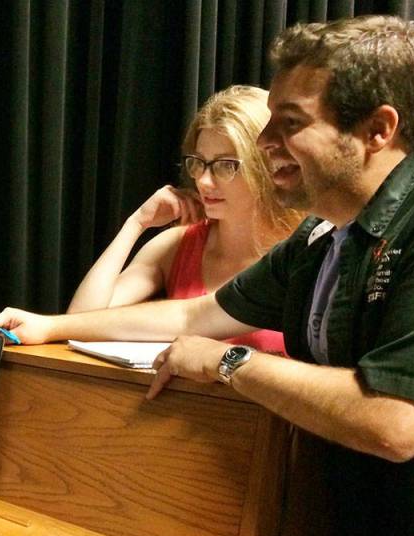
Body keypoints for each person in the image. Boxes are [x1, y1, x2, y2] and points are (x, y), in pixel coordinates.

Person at [0, 15, 414, 536]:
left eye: (289, 124)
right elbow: (197, 314)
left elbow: (395, 421)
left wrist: (232, 363)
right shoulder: (323, 237)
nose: (266, 146)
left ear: (378, 129)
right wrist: (52, 327)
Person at [68, 85, 301, 355]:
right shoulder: (177, 245)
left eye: (226, 165)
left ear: (267, 166)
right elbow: (78, 322)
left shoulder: (306, 249)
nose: (203, 180)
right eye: (198, 162)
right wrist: (136, 224)